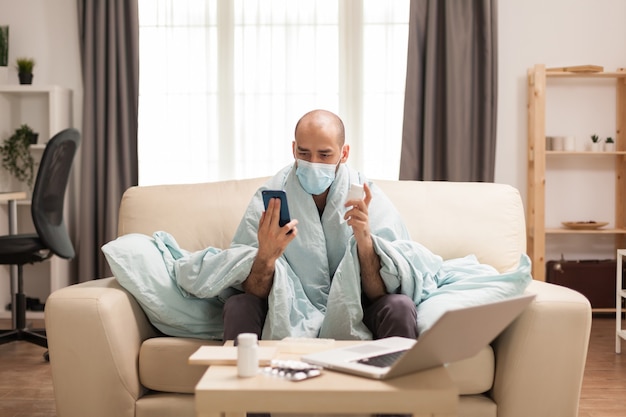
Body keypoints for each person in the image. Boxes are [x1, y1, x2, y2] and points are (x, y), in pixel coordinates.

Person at [222, 109, 418, 342]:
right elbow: (252, 291)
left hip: (355, 309)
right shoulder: (270, 198)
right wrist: (265, 255)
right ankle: (243, 377)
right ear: (293, 149)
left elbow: (379, 293)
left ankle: (393, 377)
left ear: (344, 153)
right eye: (304, 153)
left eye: (324, 155)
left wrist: (365, 241)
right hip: (286, 309)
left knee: (400, 306)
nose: (313, 163)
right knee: (239, 305)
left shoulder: (368, 197)